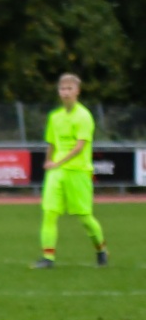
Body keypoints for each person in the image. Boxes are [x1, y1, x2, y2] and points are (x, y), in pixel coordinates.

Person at [33, 73, 109, 269]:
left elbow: (79, 147)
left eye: (69, 89)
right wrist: (48, 161)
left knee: (84, 217)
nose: (65, 93)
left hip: (78, 171)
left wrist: (57, 162)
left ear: (77, 91)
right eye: (62, 89)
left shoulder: (83, 116)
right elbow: (51, 142)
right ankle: (47, 257)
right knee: (49, 212)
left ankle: (101, 249)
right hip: (56, 173)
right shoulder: (55, 117)